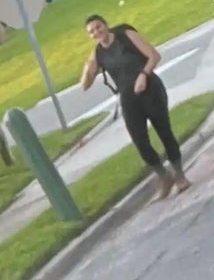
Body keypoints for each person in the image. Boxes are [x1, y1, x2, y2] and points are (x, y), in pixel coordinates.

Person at [80, 15, 188, 199]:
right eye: (92, 32)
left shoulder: (124, 35)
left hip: (150, 90)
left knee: (164, 132)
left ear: (106, 25)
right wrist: (88, 67)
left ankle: (180, 175)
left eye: (98, 27)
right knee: (140, 142)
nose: (97, 32)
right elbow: (84, 85)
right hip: (129, 99)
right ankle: (164, 176)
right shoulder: (98, 53)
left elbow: (154, 56)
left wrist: (143, 75)